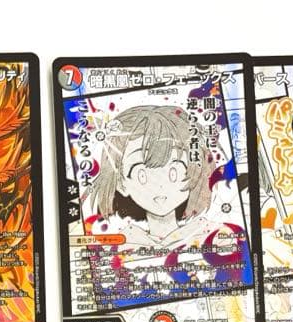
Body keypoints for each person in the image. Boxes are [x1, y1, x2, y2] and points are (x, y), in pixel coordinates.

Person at [86, 104, 249, 301]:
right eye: (141, 174)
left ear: (194, 171)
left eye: (174, 170)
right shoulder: (114, 250)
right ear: (121, 183)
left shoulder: (222, 236)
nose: (160, 186)